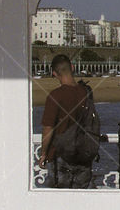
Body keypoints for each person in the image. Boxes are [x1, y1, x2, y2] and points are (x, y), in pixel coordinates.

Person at [38, 54, 94, 188]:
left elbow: (48, 128)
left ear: (54, 73)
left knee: (57, 201)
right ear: (73, 67)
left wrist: (44, 153)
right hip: (83, 156)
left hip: (59, 156)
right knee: (81, 200)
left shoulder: (55, 95)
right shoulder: (86, 92)